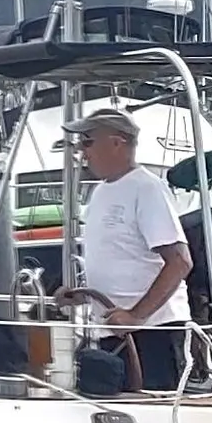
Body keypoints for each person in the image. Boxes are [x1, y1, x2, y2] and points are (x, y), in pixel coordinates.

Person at [69, 107, 191, 395]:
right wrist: (81, 294)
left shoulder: (147, 189)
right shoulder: (100, 192)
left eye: (87, 142)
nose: (82, 152)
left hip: (153, 331)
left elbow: (180, 261)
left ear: (116, 143)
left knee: (153, 410)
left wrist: (136, 316)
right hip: (114, 330)